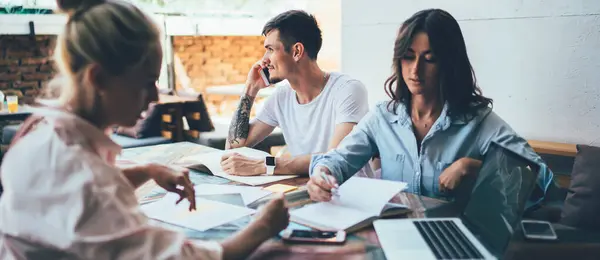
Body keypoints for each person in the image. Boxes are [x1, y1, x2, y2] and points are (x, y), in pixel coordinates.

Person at [0, 0, 289, 259]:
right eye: (147, 81)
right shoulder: (86, 179)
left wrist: (145, 171)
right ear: (98, 78)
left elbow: (65, 197)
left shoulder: (40, 133)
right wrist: (263, 226)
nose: (154, 97)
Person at [306, 9, 554, 207]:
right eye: (409, 56)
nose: (415, 70)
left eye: (430, 59)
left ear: (449, 63)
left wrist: (475, 168)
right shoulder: (383, 116)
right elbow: (337, 159)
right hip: (395, 234)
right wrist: (322, 174)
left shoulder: (477, 121)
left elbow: (542, 180)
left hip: (453, 239)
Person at [221, 10, 371, 176]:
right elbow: (234, 146)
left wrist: (266, 165)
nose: (264, 59)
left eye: (270, 49)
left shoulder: (348, 90)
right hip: (307, 192)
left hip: (350, 195)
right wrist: (250, 89)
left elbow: (334, 160)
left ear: (297, 51)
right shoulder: (281, 97)